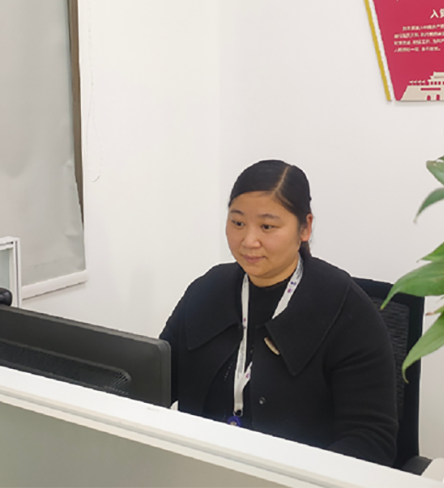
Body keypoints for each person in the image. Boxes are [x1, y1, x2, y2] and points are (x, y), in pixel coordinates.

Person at [160, 160, 398, 465]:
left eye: (267, 227)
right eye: (237, 223)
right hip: (202, 468)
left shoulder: (347, 310)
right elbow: (155, 381)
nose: (249, 241)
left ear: (305, 228)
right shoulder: (207, 291)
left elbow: (371, 441)